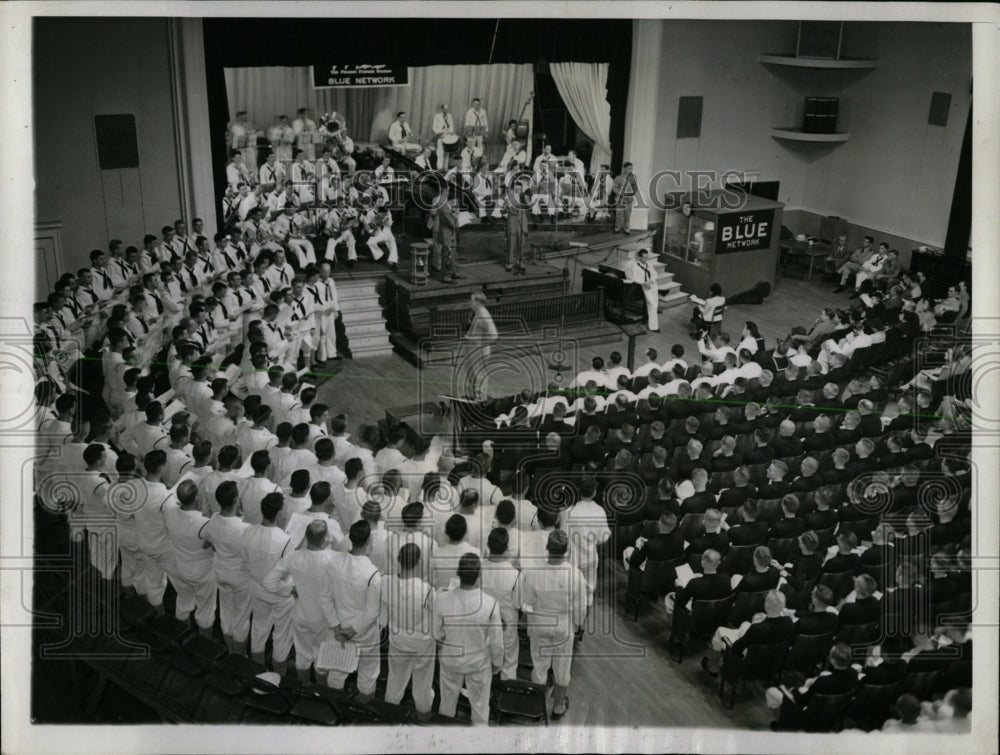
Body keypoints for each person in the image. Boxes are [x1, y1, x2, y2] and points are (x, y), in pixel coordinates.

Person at [521, 529, 589, 719]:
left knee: (540, 665)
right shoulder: (575, 575)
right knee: (562, 666)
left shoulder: (533, 573)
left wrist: (532, 616)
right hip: (563, 625)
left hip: (540, 623)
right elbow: (581, 607)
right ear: (566, 550)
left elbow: (526, 603)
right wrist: (577, 625)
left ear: (547, 548)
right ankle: (558, 705)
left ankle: (537, 705)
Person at [433, 552, 504, 725]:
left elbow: (436, 634)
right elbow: (497, 643)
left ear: (458, 573)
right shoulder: (491, 603)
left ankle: (445, 740)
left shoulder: (442, 599)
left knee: (447, 704)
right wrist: (497, 663)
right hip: (478, 664)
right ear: (479, 575)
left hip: (450, 660)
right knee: (480, 708)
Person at [263, 519, 336, 682]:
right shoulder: (334, 559)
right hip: (324, 618)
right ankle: (320, 693)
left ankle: (303, 690)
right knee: (322, 659)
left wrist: (289, 590)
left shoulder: (293, 557)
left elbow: (268, 582)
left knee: (302, 656)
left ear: (306, 537)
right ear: (325, 539)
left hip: (301, 614)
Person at [321, 520, 382, 701]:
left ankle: (335, 710)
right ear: (369, 541)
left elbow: (324, 599)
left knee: (337, 673)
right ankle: (363, 714)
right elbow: (372, 612)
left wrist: (337, 628)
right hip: (364, 634)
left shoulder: (334, 563)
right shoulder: (372, 573)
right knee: (368, 674)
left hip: (339, 630)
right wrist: (352, 630)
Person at [380, 542, 436, 721]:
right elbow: (437, 617)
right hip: (422, 642)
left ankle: (389, 717)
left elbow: (383, 617)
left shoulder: (385, 582)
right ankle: (423, 718)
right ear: (419, 562)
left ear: (398, 560)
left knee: (395, 679)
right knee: (423, 683)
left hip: (397, 639)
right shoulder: (426, 590)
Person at [240, 492, 294, 673]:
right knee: (282, 636)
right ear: (279, 514)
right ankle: (278, 678)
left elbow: (245, 559)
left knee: (259, 628)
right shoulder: (285, 540)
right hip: (280, 594)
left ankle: (257, 672)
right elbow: (290, 570)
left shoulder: (248, 531)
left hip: (257, 587)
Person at [464, 292, 498, 400]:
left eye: (472, 300)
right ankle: (474, 397)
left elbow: (493, 335)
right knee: (472, 373)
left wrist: (481, 343)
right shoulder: (477, 312)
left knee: (479, 375)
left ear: (477, 302)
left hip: (479, 349)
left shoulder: (483, 315)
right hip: (473, 348)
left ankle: (480, 399)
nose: (470, 302)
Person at [625, 248, 660, 332]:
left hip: (653, 285)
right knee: (652, 305)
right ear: (639, 258)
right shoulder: (635, 266)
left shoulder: (649, 264)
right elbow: (633, 278)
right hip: (644, 286)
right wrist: (644, 282)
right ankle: (653, 327)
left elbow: (655, 273)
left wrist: (651, 280)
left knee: (655, 304)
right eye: (644, 257)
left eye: (647, 257)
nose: (646, 259)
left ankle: (653, 325)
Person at [504, 179, 529, 275]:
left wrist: (525, 199)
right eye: (516, 189)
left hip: (522, 221)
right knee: (511, 242)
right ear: (513, 189)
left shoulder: (524, 197)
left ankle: (520, 261)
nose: (517, 190)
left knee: (521, 243)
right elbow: (504, 210)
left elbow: (529, 205)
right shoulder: (508, 197)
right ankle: (509, 262)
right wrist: (506, 208)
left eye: (519, 189)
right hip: (512, 221)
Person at [611, 162, 635, 234]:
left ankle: (626, 229)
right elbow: (614, 188)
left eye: (631, 168)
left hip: (629, 199)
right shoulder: (618, 177)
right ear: (624, 168)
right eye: (628, 168)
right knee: (619, 214)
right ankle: (617, 228)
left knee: (627, 214)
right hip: (620, 199)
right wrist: (620, 193)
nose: (630, 170)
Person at [432, 104, 457, 171]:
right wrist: (440, 132)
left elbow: (451, 126)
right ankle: (439, 167)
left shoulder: (449, 116)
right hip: (440, 136)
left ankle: (445, 167)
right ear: (442, 109)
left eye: (447, 109)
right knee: (440, 152)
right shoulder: (437, 116)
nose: (446, 110)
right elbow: (434, 127)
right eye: (445, 109)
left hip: (448, 136)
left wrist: (450, 131)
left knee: (447, 152)